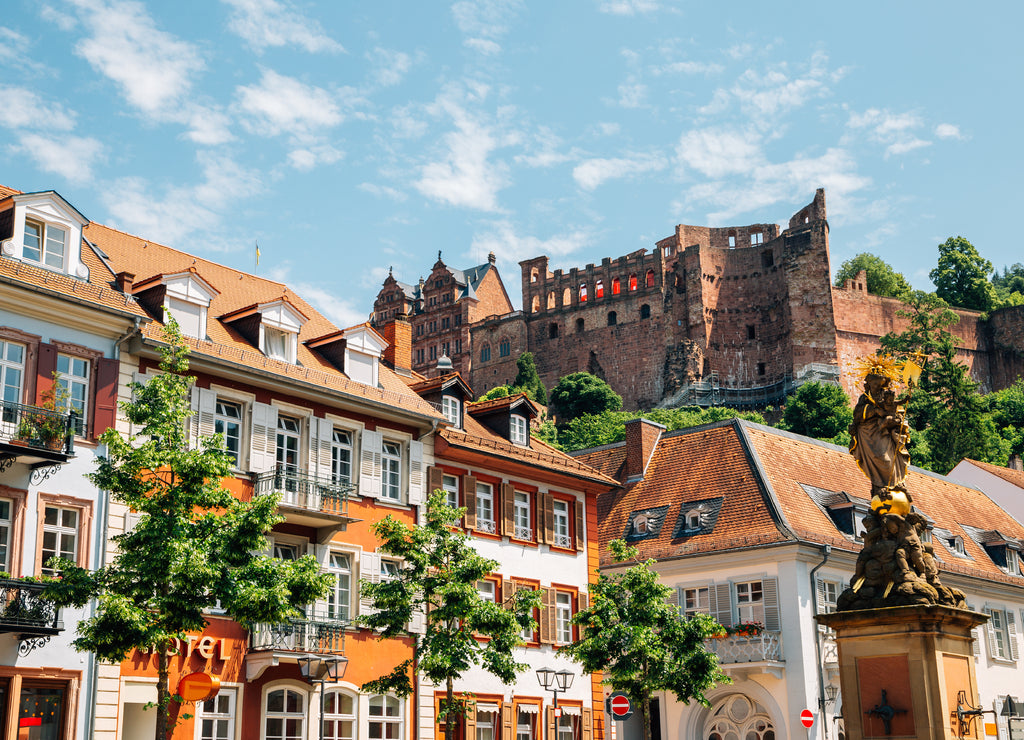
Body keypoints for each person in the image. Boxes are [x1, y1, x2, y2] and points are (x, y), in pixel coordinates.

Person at [849, 367, 910, 499]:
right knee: (876, 458)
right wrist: (875, 411)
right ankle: (880, 487)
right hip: (867, 433)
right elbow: (857, 414)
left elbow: (896, 411)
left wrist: (896, 419)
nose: (877, 387)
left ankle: (894, 484)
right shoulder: (864, 398)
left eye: (880, 384)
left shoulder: (886, 396)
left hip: (885, 434)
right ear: (869, 383)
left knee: (887, 459)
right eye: (875, 384)